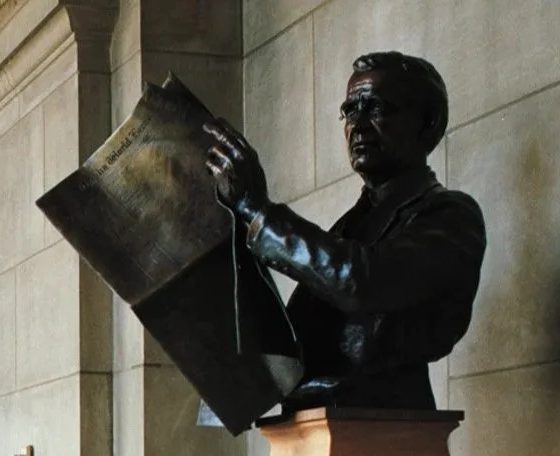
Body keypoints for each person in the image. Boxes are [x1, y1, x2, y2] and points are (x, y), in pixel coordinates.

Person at [205, 52, 486, 412]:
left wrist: (261, 213)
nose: (358, 123)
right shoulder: (350, 226)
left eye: (376, 107)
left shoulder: (450, 215)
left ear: (427, 123)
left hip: (389, 431)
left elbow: (361, 280)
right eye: (350, 110)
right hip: (321, 428)